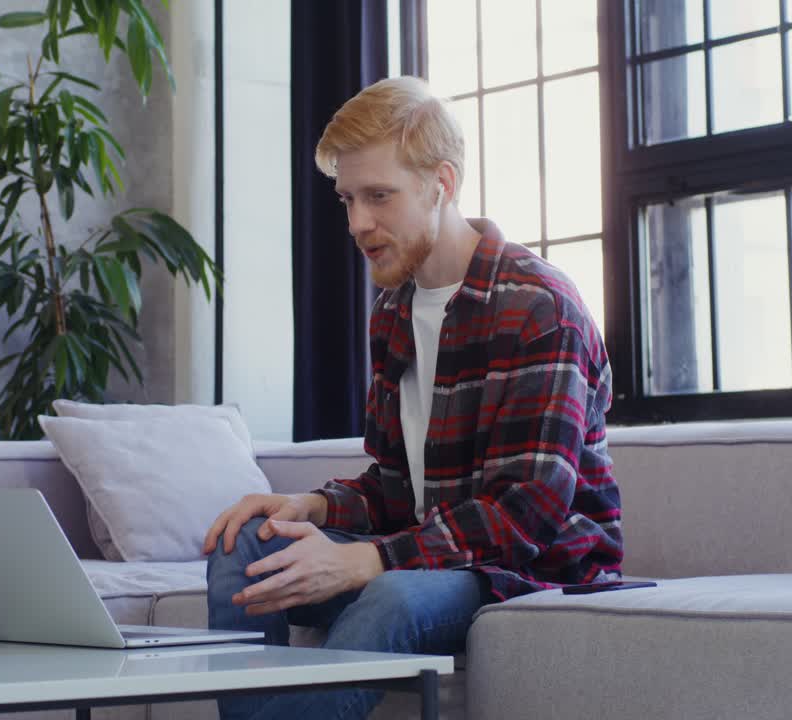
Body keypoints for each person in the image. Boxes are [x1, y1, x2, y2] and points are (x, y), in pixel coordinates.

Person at [203, 75, 623, 720]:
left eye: (379, 197)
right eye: (347, 198)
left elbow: (526, 512)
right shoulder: (393, 311)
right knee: (247, 546)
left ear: (442, 183)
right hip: (430, 557)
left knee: (391, 598)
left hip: (530, 571)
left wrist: (368, 559)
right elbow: (399, 488)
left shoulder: (539, 308)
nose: (358, 223)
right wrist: (310, 506)